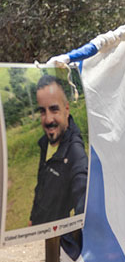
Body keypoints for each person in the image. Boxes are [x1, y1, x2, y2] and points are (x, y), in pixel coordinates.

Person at [30, 75, 87, 227]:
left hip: (58, 238)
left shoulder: (76, 154)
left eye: (54, 109)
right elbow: (41, 185)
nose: (48, 119)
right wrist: (32, 217)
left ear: (66, 109)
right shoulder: (45, 143)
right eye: (43, 111)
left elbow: (84, 202)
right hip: (37, 229)